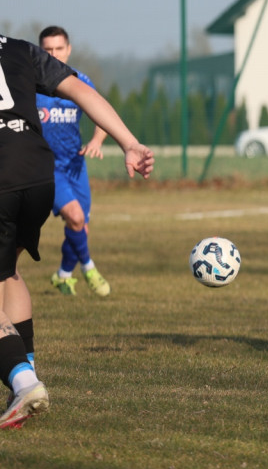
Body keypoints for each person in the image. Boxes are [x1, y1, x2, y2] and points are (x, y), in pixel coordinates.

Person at [0, 33, 154, 429]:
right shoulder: (19, 49)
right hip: (37, 173)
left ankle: (24, 381)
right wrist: (130, 143)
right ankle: (23, 381)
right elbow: (81, 90)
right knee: (8, 272)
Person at [37, 26, 111, 296]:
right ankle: (89, 268)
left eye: (58, 49)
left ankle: (63, 276)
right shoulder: (29, 84)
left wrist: (97, 141)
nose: (53, 54)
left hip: (76, 164)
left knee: (81, 226)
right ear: (39, 51)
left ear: (68, 50)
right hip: (46, 166)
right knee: (76, 217)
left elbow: (100, 111)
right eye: (47, 49)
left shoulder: (79, 81)